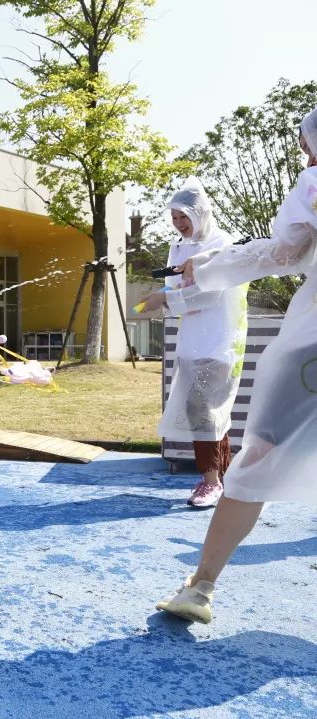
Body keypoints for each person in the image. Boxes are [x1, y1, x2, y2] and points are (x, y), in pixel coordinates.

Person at [156, 111, 317, 624]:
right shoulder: (180, 246)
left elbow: (286, 251)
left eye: (307, 148)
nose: (306, 158)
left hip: (299, 348)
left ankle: (200, 584)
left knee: (259, 451)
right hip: (199, 344)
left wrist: (204, 270)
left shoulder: (311, 183)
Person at [141, 177, 248, 508]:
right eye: (174, 218)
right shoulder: (179, 246)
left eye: (184, 216)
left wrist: (166, 298)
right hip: (191, 341)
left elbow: (211, 292)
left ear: (200, 213)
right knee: (204, 411)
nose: (179, 224)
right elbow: (176, 285)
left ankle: (210, 481)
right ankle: (220, 478)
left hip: (219, 342)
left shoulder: (223, 243)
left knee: (206, 411)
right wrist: (159, 297)